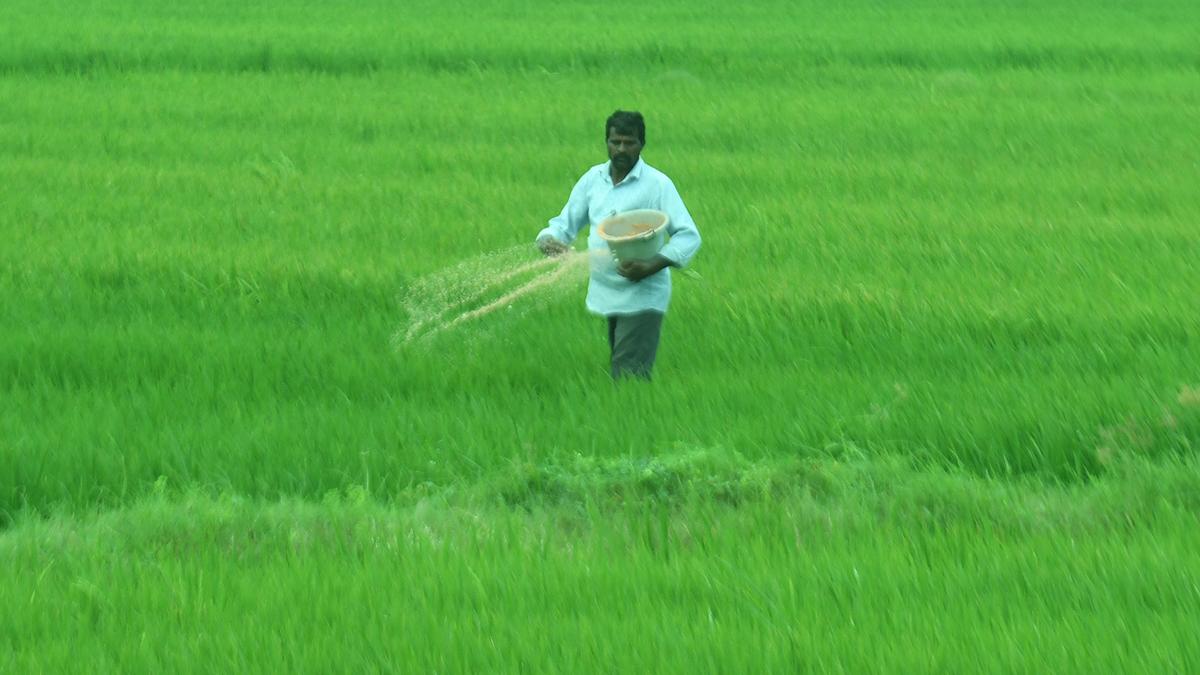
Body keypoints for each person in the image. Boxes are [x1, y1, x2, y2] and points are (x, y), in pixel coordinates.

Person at [536, 110, 702, 380]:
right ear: (607, 142)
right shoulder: (593, 180)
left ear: (642, 144)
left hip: (643, 294)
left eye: (629, 142)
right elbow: (563, 224)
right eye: (615, 142)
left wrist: (651, 265)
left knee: (628, 374)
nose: (621, 149)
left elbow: (688, 236)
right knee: (624, 368)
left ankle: (630, 414)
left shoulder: (657, 185)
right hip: (606, 291)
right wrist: (549, 240)